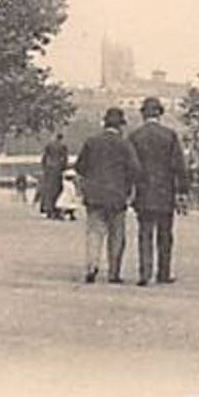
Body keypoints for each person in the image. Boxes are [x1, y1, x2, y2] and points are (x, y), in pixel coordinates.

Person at [73, 108, 141, 283]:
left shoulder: (91, 142)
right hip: (117, 196)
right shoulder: (125, 144)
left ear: (104, 123)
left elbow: (80, 167)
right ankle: (114, 272)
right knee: (116, 235)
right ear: (121, 126)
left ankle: (92, 266)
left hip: (95, 195)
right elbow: (135, 169)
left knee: (94, 232)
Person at [127, 96, 189, 286]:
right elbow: (179, 165)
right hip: (165, 192)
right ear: (160, 114)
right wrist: (182, 191)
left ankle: (145, 273)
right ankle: (163, 272)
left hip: (144, 191)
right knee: (165, 234)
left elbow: (130, 166)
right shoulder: (170, 135)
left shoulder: (134, 136)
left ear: (143, 114)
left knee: (145, 233)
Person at [39, 132, 69, 219]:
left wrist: (44, 167)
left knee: (48, 189)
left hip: (49, 168)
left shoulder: (49, 145)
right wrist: (63, 167)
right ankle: (54, 208)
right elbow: (65, 158)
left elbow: (44, 157)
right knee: (57, 189)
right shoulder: (63, 146)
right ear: (62, 138)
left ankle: (48, 209)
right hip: (57, 169)